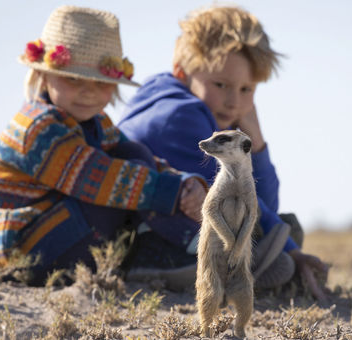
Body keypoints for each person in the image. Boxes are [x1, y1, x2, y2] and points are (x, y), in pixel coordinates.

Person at [0, 5, 207, 286]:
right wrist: (172, 192)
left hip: (62, 235)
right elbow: (96, 178)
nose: (88, 91)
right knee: (117, 185)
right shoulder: (37, 128)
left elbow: (140, 161)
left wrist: (184, 184)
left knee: (133, 153)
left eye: (101, 82)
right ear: (43, 75)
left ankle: (164, 249)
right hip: (27, 252)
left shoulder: (96, 122)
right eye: (73, 78)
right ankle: (169, 249)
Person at [118, 6, 329, 301]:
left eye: (247, 90)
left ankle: (255, 263)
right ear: (183, 71)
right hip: (145, 233)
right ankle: (169, 264)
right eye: (221, 85)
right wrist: (291, 249)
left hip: (163, 222)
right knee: (279, 235)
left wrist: (255, 139)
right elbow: (247, 198)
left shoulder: (166, 93)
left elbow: (265, 201)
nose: (234, 102)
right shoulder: (181, 114)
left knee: (285, 226)